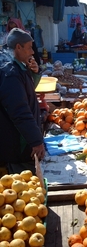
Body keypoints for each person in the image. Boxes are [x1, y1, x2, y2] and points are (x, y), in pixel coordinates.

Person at [0, 28, 45, 174]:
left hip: (24, 140)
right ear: (18, 47)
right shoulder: (11, 74)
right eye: (29, 47)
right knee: (24, 183)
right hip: (18, 144)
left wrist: (34, 73)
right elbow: (20, 111)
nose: (32, 52)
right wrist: (36, 141)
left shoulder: (20, 68)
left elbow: (30, 91)